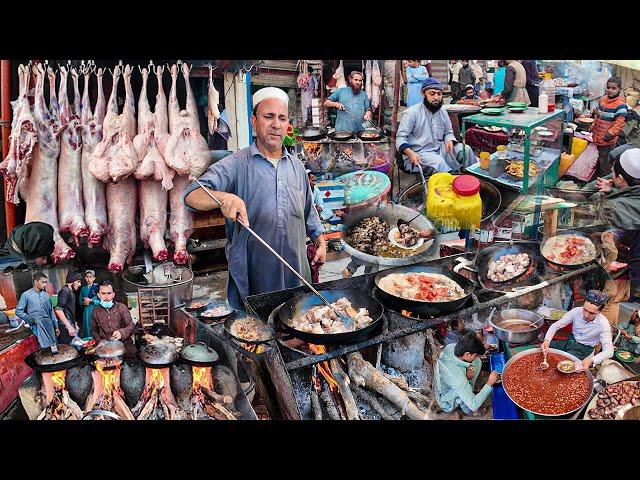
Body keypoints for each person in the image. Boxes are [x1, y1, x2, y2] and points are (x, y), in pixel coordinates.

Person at [183, 87, 326, 310]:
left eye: (282, 118)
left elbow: (309, 212)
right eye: (268, 117)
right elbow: (192, 194)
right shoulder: (237, 164)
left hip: (296, 272)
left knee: (298, 326)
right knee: (256, 334)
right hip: (255, 275)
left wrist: (321, 240)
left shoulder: (298, 167)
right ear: (254, 121)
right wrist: (224, 198)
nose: (276, 125)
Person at [588, 145, 640, 324]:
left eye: (612, 172)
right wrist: (615, 191)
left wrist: (606, 196)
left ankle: (602, 345)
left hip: (623, 264)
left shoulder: (618, 208)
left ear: (621, 178)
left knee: (608, 301)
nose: (609, 174)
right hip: (629, 265)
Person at [396, 77, 477, 173]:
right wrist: (410, 153)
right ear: (423, 94)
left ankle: (472, 179)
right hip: (418, 153)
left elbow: (448, 132)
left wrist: (449, 139)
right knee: (439, 163)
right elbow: (400, 138)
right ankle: (451, 184)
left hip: (440, 148)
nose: (436, 97)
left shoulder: (442, 111)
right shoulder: (411, 113)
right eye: (432, 93)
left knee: (466, 150)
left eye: (439, 94)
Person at [541, 289, 614, 371]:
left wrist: (591, 360)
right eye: (585, 309)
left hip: (584, 349)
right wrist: (547, 340)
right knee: (543, 349)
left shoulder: (603, 324)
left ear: (600, 311)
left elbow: (609, 351)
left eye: (591, 313)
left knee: (562, 366)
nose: (586, 315)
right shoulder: (576, 311)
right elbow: (556, 325)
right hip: (571, 341)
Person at [434, 332, 500, 416]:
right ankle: (469, 411)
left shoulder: (452, 347)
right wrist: (489, 383)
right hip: (446, 399)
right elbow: (473, 405)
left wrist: (470, 366)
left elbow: (472, 358)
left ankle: (469, 391)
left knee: (477, 362)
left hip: (449, 380)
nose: (477, 356)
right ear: (467, 354)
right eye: (475, 355)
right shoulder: (458, 380)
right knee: (470, 401)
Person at [591, 77, 628, 178]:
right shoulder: (602, 100)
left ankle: (604, 181)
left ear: (619, 89)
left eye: (613, 88)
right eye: (608, 87)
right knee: (598, 159)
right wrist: (593, 125)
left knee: (606, 163)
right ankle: (597, 177)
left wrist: (609, 135)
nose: (610, 90)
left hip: (607, 140)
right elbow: (598, 115)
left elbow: (619, 124)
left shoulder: (621, 105)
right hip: (597, 137)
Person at [90, 280, 136, 358]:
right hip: (106, 347)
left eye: (109, 293)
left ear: (113, 294)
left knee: (133, 359)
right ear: (98, 295)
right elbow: (93, 330)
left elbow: (131, 326)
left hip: (125, 344)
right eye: (103, 293)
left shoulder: (122, 307)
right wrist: (99, 341)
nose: (106, 296)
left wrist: (121, 333)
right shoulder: (95, 311)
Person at [15, 271, 59, 348]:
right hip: (37, 325)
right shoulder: (26, 295)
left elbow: (51, 312)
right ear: (35, 282)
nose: (45, 285)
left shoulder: (46, 296)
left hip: (48, 325)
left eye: (46, 282)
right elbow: (18, 311)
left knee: (54, 348)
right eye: (43, 282)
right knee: (42, 349)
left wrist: (56, 327)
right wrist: (31, 320)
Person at [55, 270, 82, 345]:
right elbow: (58, 310)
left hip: (70, 324)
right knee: (68, 350)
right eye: (78, 281)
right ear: (72, 281)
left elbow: (69, 310)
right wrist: (69, 327)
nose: (80, 284)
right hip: (65, 328)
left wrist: (74, 323)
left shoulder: (70, 291)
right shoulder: (64, 292)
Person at [78, 269, 99, 338]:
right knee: (87, 328)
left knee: (96, 327)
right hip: (87, 311)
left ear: (94, 278)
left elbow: (102, 301)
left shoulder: (98, 288)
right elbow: (80, 301)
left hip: (96, 310)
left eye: (90, 277)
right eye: (87, 277)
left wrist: (91, 301)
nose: (89, 279)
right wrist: (84, 303)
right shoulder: (83, 289)